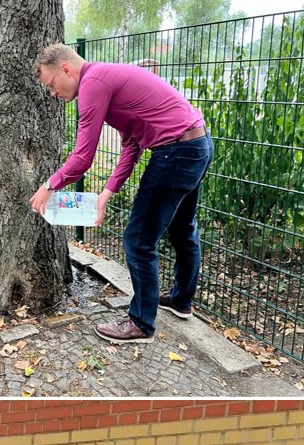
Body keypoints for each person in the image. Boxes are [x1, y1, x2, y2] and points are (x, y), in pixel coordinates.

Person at [28, 43, 212, 345]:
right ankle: (181, 301)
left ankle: (141, 324)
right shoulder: (107, 77)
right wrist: (106, 193)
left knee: (138, 240)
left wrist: (49, 185)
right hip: (198, 143)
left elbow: (83, 157)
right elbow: (132, 145)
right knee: (182, 228)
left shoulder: (92, 85)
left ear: (65, 69)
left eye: (51, 85)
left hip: (176, 153)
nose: (52, 94)